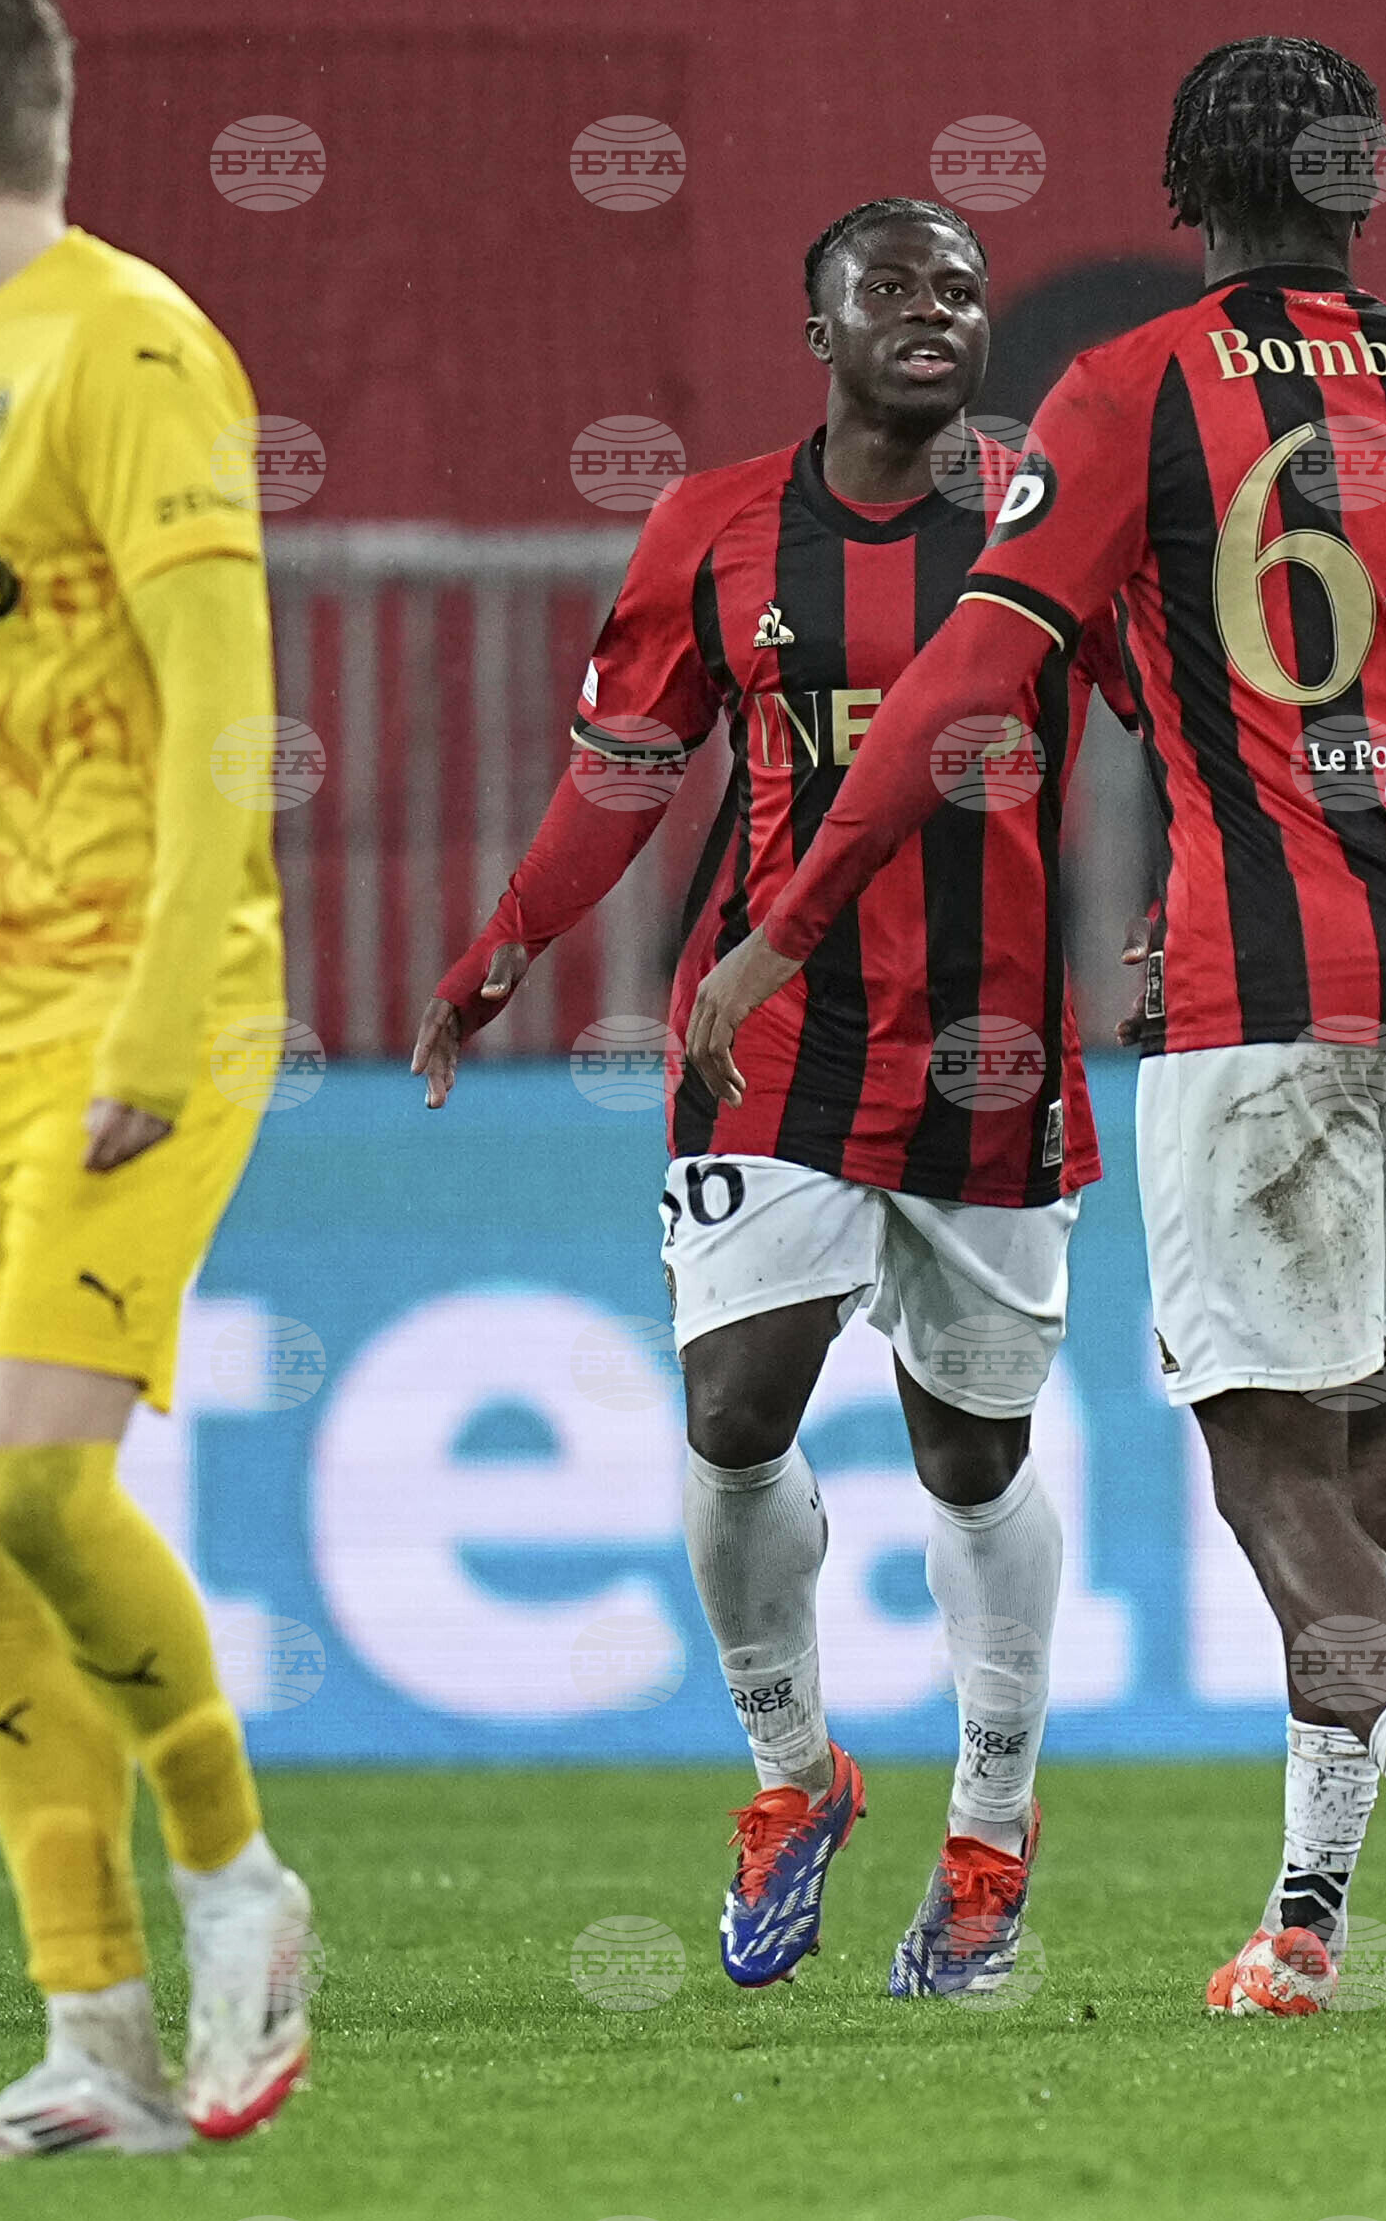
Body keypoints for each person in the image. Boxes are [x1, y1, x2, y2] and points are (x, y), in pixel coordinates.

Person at [689, 40, 1386, 2026]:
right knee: (1357, 1467)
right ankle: (1306, 1917)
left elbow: (968, 676)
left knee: (1271, 1483)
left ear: (1184, 196)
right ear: (1367, 184)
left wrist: (783, 920)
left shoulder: (1133, 387)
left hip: (1259, 985)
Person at [413, 198, 1131, 1999]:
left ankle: (989, 1826)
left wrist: (1200, 893)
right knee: (733, 1409)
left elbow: (1186, 719)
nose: (930, 310)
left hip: (995, 1047)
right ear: (817, 331)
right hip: (771, 1038)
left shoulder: (1050, 515)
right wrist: (506, 942)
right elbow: (626, 770)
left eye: (958, 288)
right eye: (888, 287)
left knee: (971, 1455)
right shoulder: (714, 528)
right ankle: (792, 1774)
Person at [0, 0, 310, 2155]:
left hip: (135, 1007)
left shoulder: (134, 346)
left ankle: (239, 1886)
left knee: (33, 1478)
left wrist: (155, 1016)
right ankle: (91, 2039)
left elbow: (224, 719)